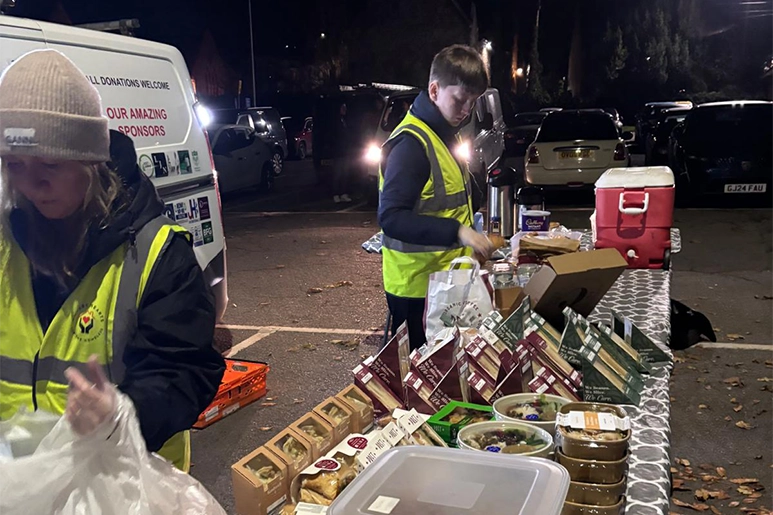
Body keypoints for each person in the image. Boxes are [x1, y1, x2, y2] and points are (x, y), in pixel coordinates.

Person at [0, 49, 225, 471]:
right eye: (15, 164)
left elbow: (186, 369)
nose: (32, 183)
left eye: (51, 163)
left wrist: (122, 414)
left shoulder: (155, 250)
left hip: (122, 481)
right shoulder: (5, 242)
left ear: (92, 162)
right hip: (21, 485)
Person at [378, 44, 496, 350]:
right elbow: (391, 219)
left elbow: (454, 199)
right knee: (426, 386)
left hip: (446, 284)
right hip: (417, 291)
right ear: (434, 90)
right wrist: (458, 232)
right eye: (460, 100)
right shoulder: (411, 145)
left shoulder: (445, 134)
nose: (466, 111)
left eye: (473, 103)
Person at [333, 103, 353, 203]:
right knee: (338, 174)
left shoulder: (345, 121)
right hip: (339, 152)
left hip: (345, 151)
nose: (344, 110)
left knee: (345, 174)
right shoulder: (336, 122)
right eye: (343, 108)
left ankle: (344, 193)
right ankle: (336, 194)